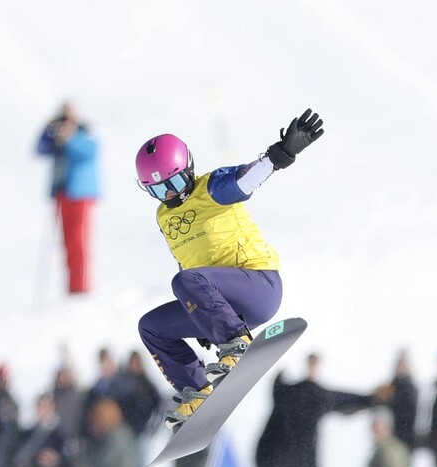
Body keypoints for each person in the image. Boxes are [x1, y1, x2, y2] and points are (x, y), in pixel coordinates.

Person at [133, 108, 325, 428]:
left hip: (258, 287)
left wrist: (283, 152)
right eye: (157, 190)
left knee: (184, 281)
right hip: (218, 300)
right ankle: (196, 391)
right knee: (151, 326)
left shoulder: (209, 188)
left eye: (175, 182)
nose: (169, 194)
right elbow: (188, 259)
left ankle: (236, 342)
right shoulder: (164, 216)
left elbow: (249, 177)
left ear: (189, 170)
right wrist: (201, 314)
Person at [35, 102, 100, 295]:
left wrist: (69, 138)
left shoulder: (84, 133)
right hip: (62, 194)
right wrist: (50, 129)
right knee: (67, 242)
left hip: (80, 194)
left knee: (78, 240)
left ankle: (81, 286)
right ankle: (72, 286)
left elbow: (89, 152)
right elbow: (40, 148)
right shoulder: (56, 137)